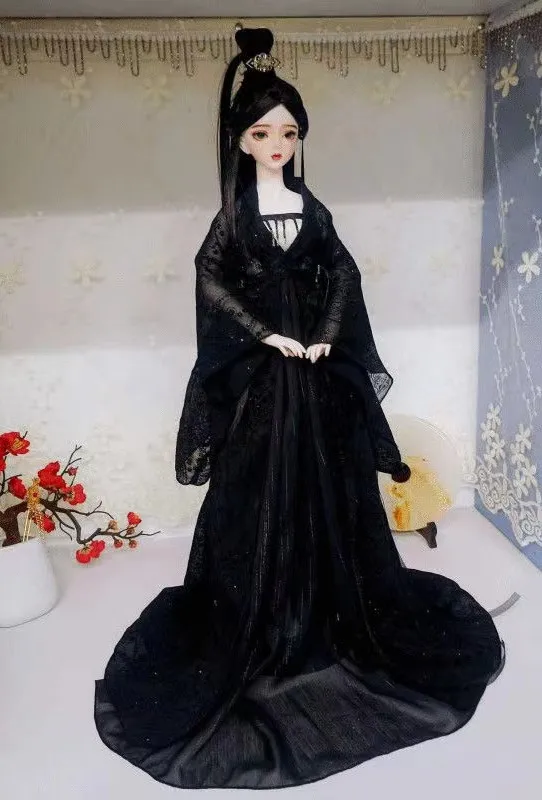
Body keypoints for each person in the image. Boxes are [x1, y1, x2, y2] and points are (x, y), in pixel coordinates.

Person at [94, 26, 504, 790]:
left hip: (315, 380)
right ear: (241, 139)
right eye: (262, 133)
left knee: (330, 487)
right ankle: (264, 618)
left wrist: (322, 334)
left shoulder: (309, 207)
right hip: (263, 383)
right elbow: (209, 278)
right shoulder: (235, 214)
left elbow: (343, 272)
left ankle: (332, 610)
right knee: (255, 494)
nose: (276, 145)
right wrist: (266, 333)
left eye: (287, 132)